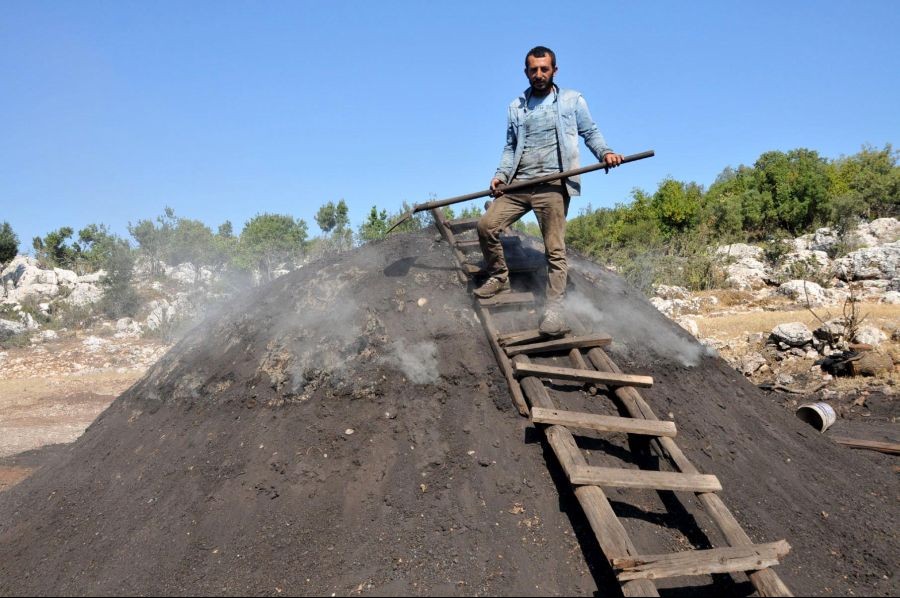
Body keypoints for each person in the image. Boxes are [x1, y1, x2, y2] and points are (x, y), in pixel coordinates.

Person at [474, 46, 623, 336]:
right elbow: (509, 147)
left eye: (544, 69)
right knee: (486, 225)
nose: (539, 74)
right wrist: (500, 175)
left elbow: (589, 131)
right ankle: (499, 276)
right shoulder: (516, 107)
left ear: (554, 70)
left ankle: (553, 312)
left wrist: (605, 153)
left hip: (553, 186)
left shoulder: (571, 100)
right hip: (519, 185)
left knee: (554, 251)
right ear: (526, 71)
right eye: (534, 70)